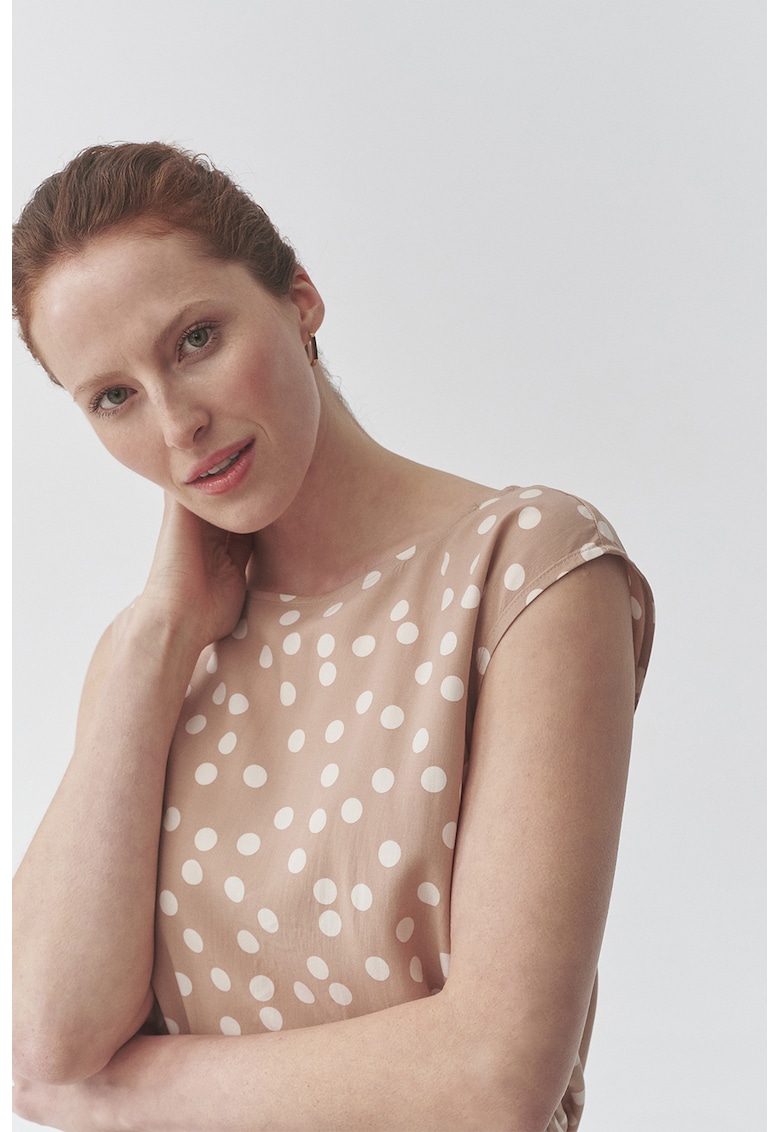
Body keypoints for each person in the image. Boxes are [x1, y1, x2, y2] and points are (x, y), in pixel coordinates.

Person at [12, 141, 654, 1132]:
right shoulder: (151, 656)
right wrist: (162, 633)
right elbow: (44, 1044)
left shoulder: (528, 574)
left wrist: (113, 1098)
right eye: (114, 397)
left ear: (300, 298)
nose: (177, 424)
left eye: (195, 340)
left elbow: (493, 1079)